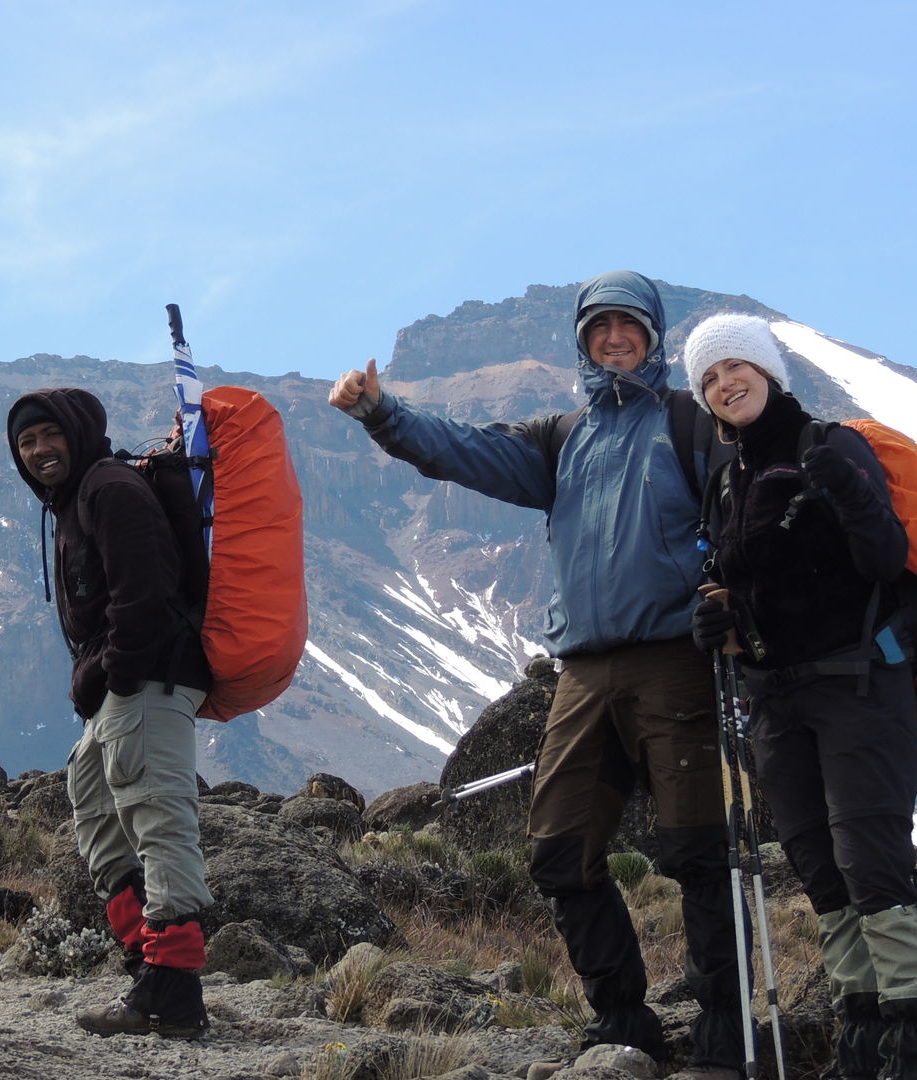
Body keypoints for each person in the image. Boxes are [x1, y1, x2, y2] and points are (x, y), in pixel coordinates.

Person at [329, 271, 746, 1078]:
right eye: (600, 328)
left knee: (698, 851)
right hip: (583, 672)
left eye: (630, 327)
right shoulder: (565, 438)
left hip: (675, 665)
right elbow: (469, 452)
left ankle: (723, 1029)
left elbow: (748, 516)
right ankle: (623, 1018)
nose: (615, 339)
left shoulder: (693, 426)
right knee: (559, 853)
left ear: (654, 338)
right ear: (583, 342)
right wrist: (384, 415)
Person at [684, 313, 917, 1080]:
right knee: (821, 871)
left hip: (859, 685)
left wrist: (850, 494)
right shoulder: (726, 479)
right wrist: (717, 618)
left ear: (769, 371)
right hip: (777, 699)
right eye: (708, 378)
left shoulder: (829, 447)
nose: (724, 383)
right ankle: (861, 1045)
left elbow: (883, 557)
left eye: (736, 367)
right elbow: (743, 578)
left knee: (873, 863)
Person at [7, 387, 214, 1039]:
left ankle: (175, 994)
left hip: (147, 680)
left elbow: (144, 592)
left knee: (159, 824)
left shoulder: (110, 489)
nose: (40, 450)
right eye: (26, 442)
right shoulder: (72, 503)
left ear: (76, 432)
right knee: (96, 814)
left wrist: (123, 673)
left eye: (49, 435)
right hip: (115, 691)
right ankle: (147, 973)